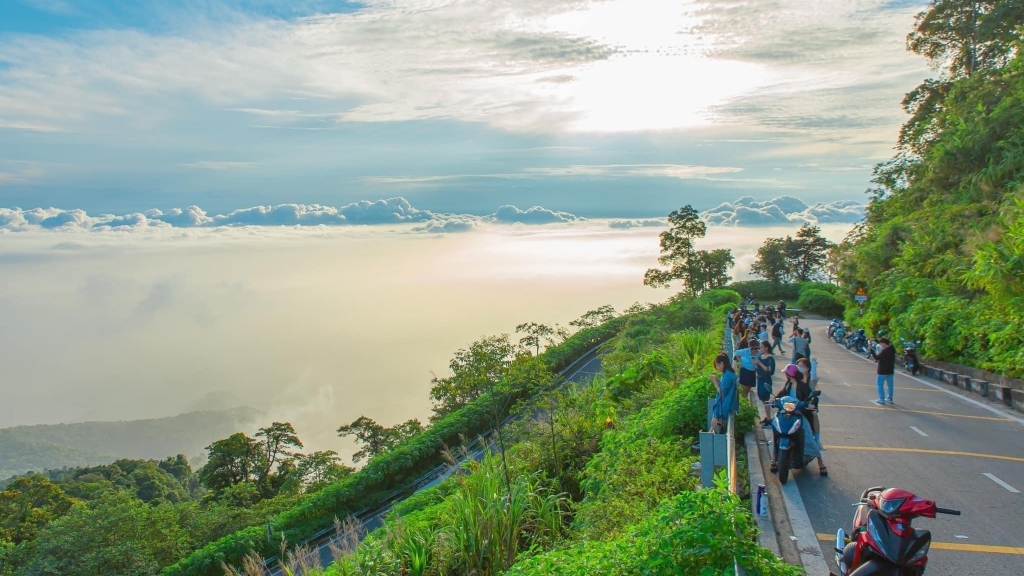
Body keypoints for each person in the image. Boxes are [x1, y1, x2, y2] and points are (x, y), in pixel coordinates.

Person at [776, 364, 827, 476]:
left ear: (790, 375)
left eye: (786, 373)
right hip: (788, 413)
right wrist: (774, 400)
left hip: (799, 414)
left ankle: (821, 464)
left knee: (808, 437)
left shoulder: (802, 386)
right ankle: (774, 461)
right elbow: (781, 394)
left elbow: (812, 398)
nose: (785, 375)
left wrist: (811, 405)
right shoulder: (788, 385)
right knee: (776, 429)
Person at [710, 352, 739, 433]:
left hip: (725, 406)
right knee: (714, 426)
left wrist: (715, 382)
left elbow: (722, 393)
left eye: (717, 365)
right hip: (728, 405)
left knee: (713, 425)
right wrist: (718, 380)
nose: (717, 367)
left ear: (722, 363)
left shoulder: (727, 375)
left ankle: (707, 441)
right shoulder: (729, 373)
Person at [754, 340, 776, 426]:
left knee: (766, 399)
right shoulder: (761, 356)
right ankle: (767, 417)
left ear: (766, 348)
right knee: (762, 399)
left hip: (766, 380)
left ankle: (769, 418)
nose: (760, 349)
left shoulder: (770, 358)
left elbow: (769, 370)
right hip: (760, 379)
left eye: (762, 347)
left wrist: (759, 363)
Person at [734, 340, 757, 408]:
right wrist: (741, 362)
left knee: (749, 389)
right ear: (749, 347)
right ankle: (745, 406)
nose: (754, 350)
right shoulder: (745, 351)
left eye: (755, 348)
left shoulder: (758, 352)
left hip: (752, 372)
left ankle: (746, 403)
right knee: (745, 389)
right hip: (745, 371)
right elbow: (736, 353)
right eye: (752, 348)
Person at [874, 337, 896, 404]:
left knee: (879, 384)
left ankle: (881, 398)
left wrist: (871, 351)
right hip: (890, 370)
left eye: (881, 344)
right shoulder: (892, 349)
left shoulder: (884, 352)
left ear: (884, 343)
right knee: (890, 385)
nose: (881, 345)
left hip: (882, 370)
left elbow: (876, 357)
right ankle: (889, 398)